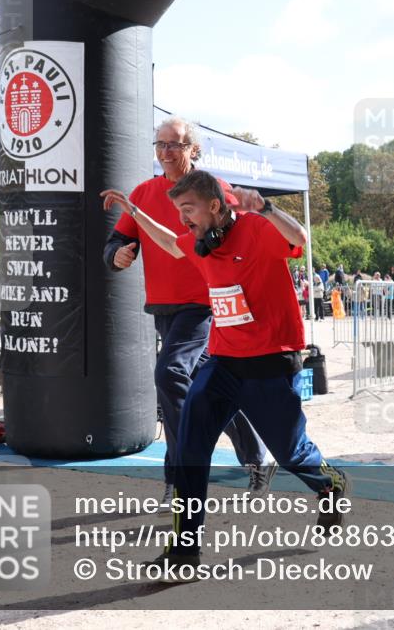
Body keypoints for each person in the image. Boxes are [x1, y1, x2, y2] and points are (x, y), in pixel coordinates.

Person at [102, 171, 349, 580]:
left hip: (271, 362)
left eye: (188, 210)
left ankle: (330, 485)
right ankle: (184, 555)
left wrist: (266, 207)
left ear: (215, 206)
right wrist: (135, 213)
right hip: (223, 362)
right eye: (179, 211)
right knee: (190, 449)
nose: (183, 219)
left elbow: (300, 238)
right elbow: (167, 241)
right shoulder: (200, 244)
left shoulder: (256, 229)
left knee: (291, 454)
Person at [103, 117, 273, 505]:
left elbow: (239, 232)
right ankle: (257, 457)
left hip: (206, 303)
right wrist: (118, 255)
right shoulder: (144, 193)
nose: (166, 152)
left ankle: (181, 476)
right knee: (206, 390)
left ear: (193, 150)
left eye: (175, 145)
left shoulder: (213, 189)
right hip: (164, 307)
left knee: (170, 372)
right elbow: (116, 240)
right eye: (160, 144)